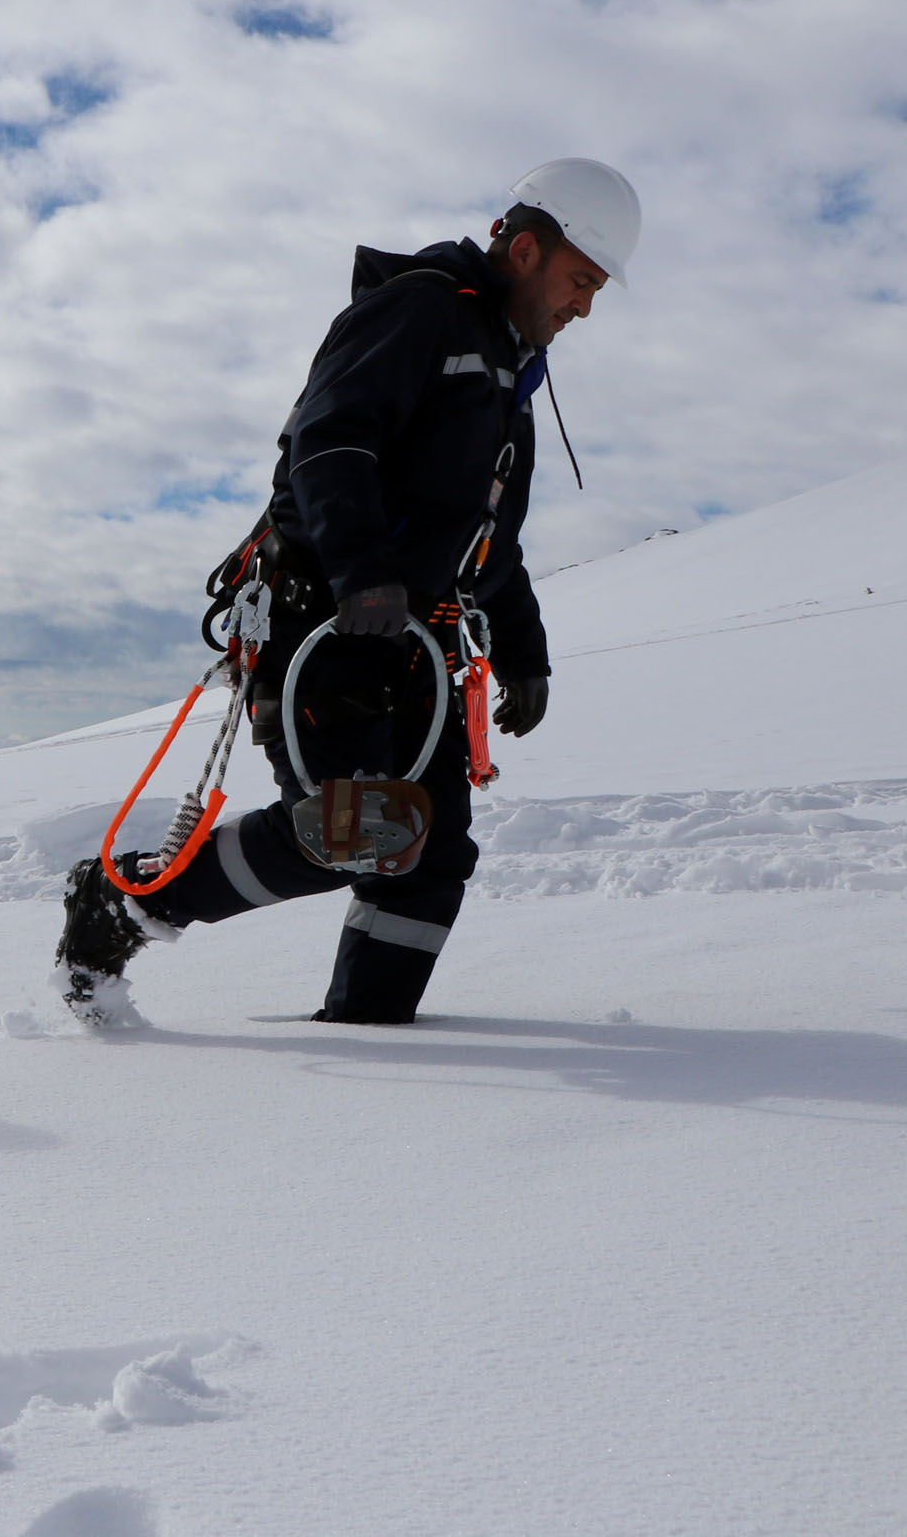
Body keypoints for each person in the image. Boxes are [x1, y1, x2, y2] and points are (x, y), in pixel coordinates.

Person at [55, 160, 639, 1025]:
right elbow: (328, 443)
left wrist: (524, 649)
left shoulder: (506, 375)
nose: (585, 307)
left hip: (418, 646)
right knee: (356, 830)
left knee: (430, 850)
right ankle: (127, 900)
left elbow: (486, 535)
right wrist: (363, 571)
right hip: (322, 622)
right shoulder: (421, 311)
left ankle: (375, 1040)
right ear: (524, 250)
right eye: (580, 281)